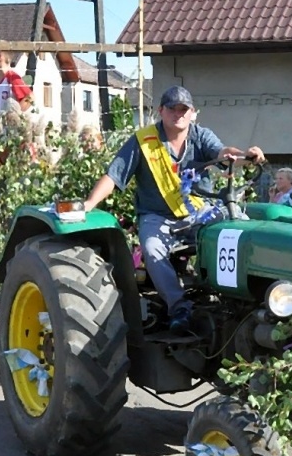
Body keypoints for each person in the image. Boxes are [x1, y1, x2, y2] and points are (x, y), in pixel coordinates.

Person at [84, 85, 264, 330]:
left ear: (192, 113)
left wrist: (245, 155)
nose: (178, 114)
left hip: (199, 212)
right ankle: (179, 307)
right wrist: (89, 204)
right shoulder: (143, 141)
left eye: (183, 109)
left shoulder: (201, 136)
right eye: (172, 109)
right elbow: (114, 177)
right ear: (161, 111)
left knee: (240, 228)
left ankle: (248, 297)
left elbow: (224, 153)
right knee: (152, 248)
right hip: (157, 217)